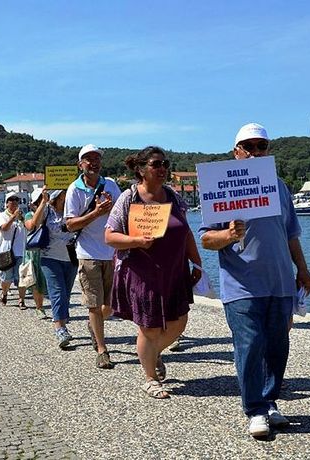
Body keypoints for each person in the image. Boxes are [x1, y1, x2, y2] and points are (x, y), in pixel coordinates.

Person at [200, 123, 310, 438]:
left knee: (277, 346)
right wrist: (228, 234)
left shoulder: (278, 186)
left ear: (268, 150)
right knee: (250, 345)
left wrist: (302, 269)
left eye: (260, 146)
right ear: (235, 151)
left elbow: (291, 234)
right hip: (241, 284)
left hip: (279, 282)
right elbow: (207, 240)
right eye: (248, 147)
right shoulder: (219, 187)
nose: (254, 152)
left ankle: (270, 400)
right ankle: (255, 409)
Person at [105, 146, 202, 399]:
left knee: (179, 323)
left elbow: (187, 233)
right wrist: (136, 241)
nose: (162, 169)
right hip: (142, 273)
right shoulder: (129, 198)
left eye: (165, 164)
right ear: (141, 169)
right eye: (156, 164)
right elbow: (109, 236)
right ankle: (150, 378)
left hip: (175, 271)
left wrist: (197, 263)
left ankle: (150, 353)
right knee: (149, 327)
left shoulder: (173, 197)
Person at [65, 143, 122, 369]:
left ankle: (94, 326)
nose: (93, 162)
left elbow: (122, 210)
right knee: (94, 305)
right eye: (88, 159)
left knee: (109, 306)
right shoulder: (74, 189)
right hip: (87, 253)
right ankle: (102, 349)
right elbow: (69, 224)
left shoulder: (110, 184)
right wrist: (96, 212)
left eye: (96, 158)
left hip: (112, 251)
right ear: (80, 164)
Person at [28, 188, 78, 348]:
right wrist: (43, 201)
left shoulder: (73, 209)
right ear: (55, 197)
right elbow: (33, 224)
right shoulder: (47, 211)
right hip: (50, 258)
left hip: (71, 257)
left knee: (66, 293)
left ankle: (62, 319)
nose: (65, 198)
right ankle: (60, 328)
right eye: (62, 196)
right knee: (58, 293)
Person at [0, 192, 27, 308]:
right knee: (6, 277)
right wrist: (13, 217)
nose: (14, 202)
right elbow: (3, 228)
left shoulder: (21, 216)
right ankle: (4, 293)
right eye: (11, 200)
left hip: (20, 251)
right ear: (7, 202)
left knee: (21, 278)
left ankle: (21, 300)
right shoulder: (1, 215)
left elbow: (27, 228)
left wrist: (21, 218)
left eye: (16, 200)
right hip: (6, 251)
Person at [24, 189, 49, 316]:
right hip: (34, 252)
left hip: (48, 250)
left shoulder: (49, 213)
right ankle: (39, 306)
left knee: (46, 280)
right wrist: (43, 204)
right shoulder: (28, 215)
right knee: (36, 280)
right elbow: (32, 225)